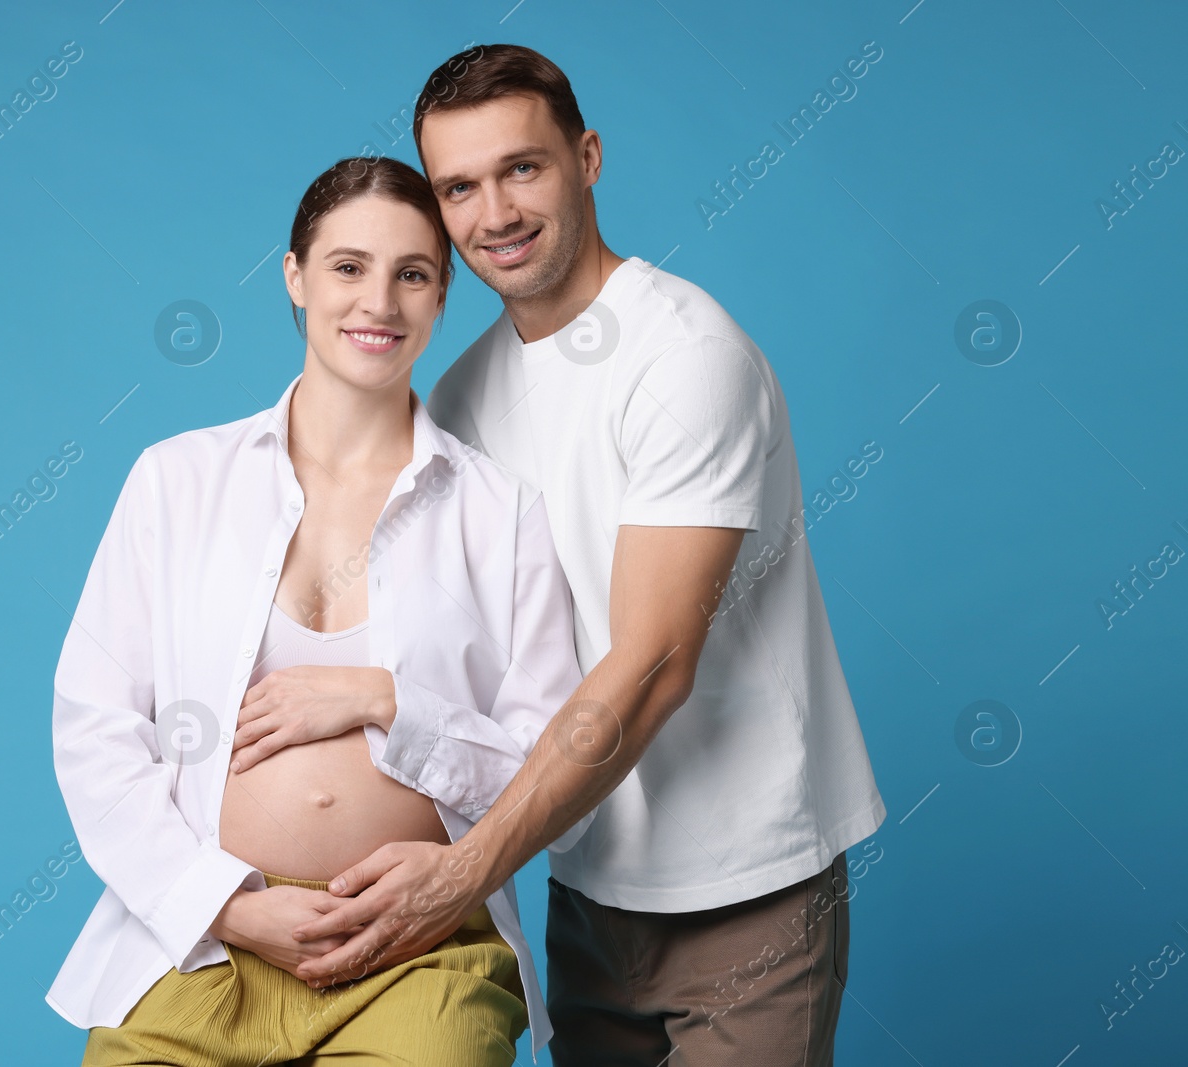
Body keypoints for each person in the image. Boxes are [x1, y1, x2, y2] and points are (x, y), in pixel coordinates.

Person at [287, 45, 888, 1066]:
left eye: (522, 168)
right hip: (578, 879)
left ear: (587, 157)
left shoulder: (684, 356)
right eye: (459, 188)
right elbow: (463, 649)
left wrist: (464, 868)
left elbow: (652, 662)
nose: (496, 214)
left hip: (746, 885)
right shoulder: (467, 396)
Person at [44, 155, 589, 1066]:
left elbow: (554, 788)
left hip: (417, 954)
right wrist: (225, 904)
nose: (378, 301)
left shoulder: (501, 511)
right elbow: (95, 730)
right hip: (199, 947)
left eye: (412, 273)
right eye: (348, 267)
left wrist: (389, 700)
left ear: (443, 293)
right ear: (294, 276)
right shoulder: (177, 481)